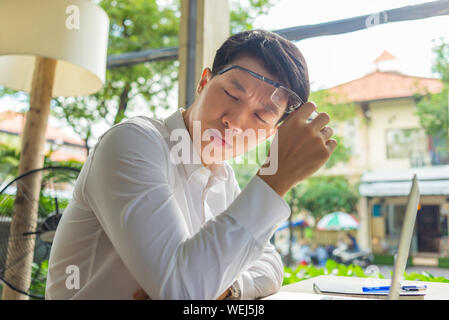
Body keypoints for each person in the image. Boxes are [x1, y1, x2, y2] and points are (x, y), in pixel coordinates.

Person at [45, 29, 336, 300]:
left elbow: (271, 267)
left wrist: (226, 290)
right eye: (232, 94)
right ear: (203, 82)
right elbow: (182, 292)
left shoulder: (224, 178)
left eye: (261, 117)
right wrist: (276, 180)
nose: (235, 122)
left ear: (272, 132)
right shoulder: (133, 143)